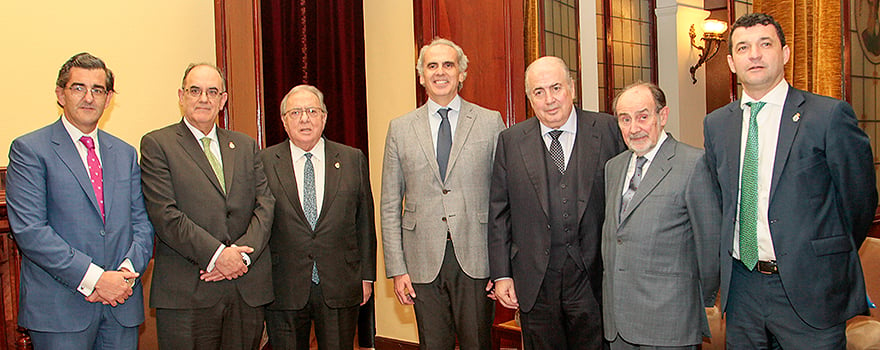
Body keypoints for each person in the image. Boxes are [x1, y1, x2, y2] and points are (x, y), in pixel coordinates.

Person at [703, 12, 877, 349]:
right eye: (743, 47)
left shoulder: (828, 116)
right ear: (731, 62)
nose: (754, 54)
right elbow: (721, 201)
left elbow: (859, 202)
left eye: (765, 44)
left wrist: (819, 255)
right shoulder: (716, 125)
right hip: (742, 288)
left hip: (810, 289)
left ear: (784, 53)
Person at [5, 52, 154, 349]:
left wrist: (124, 275)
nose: (89, 97)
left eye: (98, 90)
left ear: (108, 98)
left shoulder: (124, 153)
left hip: (120, 306)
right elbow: (31, 232)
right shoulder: (29, 150)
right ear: (60, 94)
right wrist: (97, 279)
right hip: (60, 312)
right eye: (78, 88)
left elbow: (143, 224)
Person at [488, 56, 626, 349]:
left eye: (556, 88)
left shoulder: (608, 129)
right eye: (539, 92)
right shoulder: (510, 141)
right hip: (536, 283)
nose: (549, 100)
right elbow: (499, 213)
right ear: (529, 98)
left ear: (572, 88)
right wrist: (502, 275)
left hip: (593, 278)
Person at [140, 63, 275, 349]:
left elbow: (264, 205)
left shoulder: (246, 145)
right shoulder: (157, 144)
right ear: (181, 95)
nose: (204, 98)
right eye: (195, 90)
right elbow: (165, 214)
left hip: (244, 291)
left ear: (223, 100)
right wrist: (218, 256)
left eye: (212, 92)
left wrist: (241, 258)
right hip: (187, 293)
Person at [381, 38, 505, 349]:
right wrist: (397, 269)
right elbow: (389, 203)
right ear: (421, 75)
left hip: (477, 259)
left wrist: (502, 267)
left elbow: (504, 200)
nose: (440, 72)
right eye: (431, 65)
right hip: (422, 259)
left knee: (478, 343)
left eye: (448, 65)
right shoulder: (400, 128)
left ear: (462, 73)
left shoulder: (490, 122)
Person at [602, 82, 720, 349]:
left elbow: (710, 244)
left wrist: (700, 300)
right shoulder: (614, 167)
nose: (634, 128)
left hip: (670, 322)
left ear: (662, 116)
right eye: (625, 119)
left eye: (643, 117)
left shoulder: (694, 164)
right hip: (618, 324)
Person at [260, 84, 377, 349]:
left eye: (312, 111)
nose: (304, 118)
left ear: (324, 117)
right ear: (284, 121)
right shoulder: (264, 162)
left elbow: (365, 223)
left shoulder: (351, 159)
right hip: (283, 285)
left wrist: (366, 277)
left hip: (340, 283)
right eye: (296, 112)